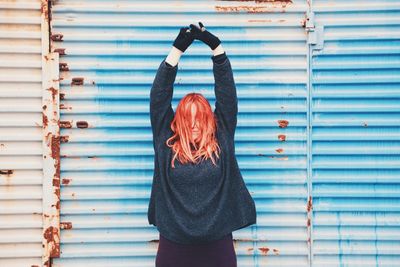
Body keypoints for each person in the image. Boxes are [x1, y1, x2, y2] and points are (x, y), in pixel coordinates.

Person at [148, 22, 257, 267]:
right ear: (178, 122)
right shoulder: (166, 143)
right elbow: (159, 96)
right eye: (189, 118)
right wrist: (177, 50)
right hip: (174, 245)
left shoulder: (222, 139)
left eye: (201, 117)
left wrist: (216, 48)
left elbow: (227, 94)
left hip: (217, 244)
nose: (195, 124)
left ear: (210, 120)